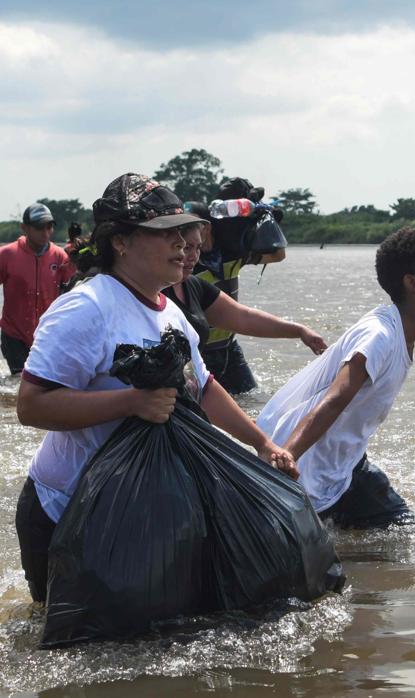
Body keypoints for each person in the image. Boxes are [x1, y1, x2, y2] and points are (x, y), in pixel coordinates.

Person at [13, 173, 296, 604]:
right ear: (121, 242)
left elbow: (202, 388)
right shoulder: (85, 309)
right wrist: (131, 401)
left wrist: (262, 443)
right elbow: (31, 407)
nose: (184, 242)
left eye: (185, 230)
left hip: (133, 510)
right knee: (63, 633)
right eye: (167, 233)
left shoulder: (171, 313)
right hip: (65, 507)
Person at [257, 226, 415, 529]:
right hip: (308, 470)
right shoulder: (380, 335)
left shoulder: (398, 332)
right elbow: (335, 399)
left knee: (405, 538)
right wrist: (287, 456)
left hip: (347, 467)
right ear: (413, 283)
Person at [164, 208, 327, 361]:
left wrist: (300, 330)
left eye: (197, 248)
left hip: (226, 351)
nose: (193, 256)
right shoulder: (155, 291)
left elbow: (244, 317)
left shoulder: (197, 283)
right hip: (200, 359)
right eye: (186, 248)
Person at [195, 178, 288, 394]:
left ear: (207, 227)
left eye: (193, 227)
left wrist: (267, 220)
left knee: (251, 401)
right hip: (199, 352)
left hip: (229, 348)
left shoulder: (231, 255)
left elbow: (277, 255)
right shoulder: (186, 265)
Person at [0, 203, 75, 375]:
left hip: (46, 335)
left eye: (49, 227)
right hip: (14, 334)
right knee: (20, 381)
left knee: (42, 380)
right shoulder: (7, 255)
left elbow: (72, 293)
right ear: (24, 228)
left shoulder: (60, 256)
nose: (45, 232)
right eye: (39, 227)